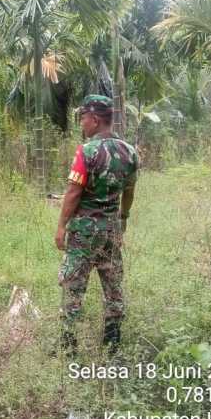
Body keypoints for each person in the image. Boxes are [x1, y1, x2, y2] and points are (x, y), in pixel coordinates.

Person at [55, 95, 139, 355]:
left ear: (94, 119)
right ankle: (113, 340)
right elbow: (129, 190)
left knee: (73, 283)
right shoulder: (130, 151)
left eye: (83, 118)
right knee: (112, 283)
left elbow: (73, 193)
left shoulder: (86, 151)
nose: (82, 123)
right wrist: (122, 219)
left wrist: (61, 226)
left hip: (84, 231)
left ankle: (68, 345)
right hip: (111, 229)